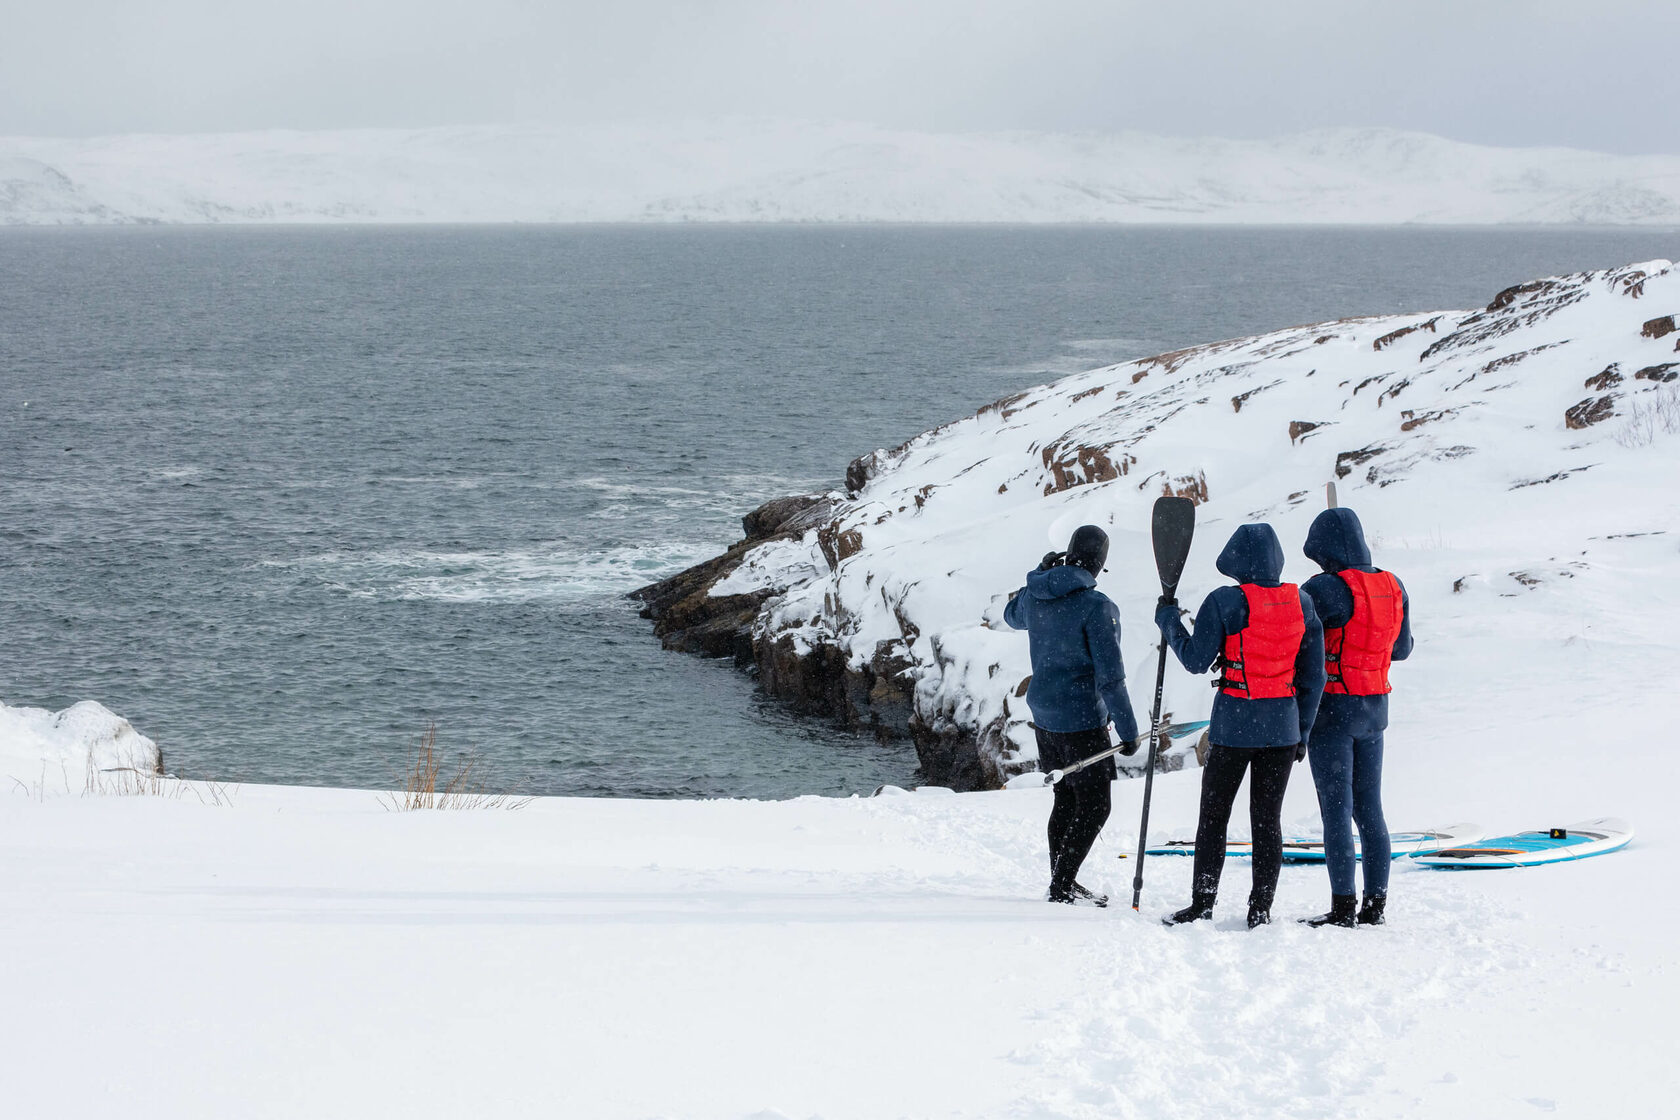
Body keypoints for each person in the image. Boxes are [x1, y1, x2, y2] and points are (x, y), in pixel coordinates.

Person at [1155, 523, 1325, 929]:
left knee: (1213, 816)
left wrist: (1168, 621)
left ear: (1235, 560)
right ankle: (1260, 909)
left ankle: (1203, 903)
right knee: (1267, 820)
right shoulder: (1302, 602)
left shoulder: (1226, 601)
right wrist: (1302, 731)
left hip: (1233, 726)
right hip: (1282, 729)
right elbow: (1313, 676)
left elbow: (1197, 660)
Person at [1005, 525, 1141, 906]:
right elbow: (1111, 678)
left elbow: (1011, 615)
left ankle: (1062, 879)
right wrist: (1128, 732)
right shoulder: (1097, 607)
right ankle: (1062, 884)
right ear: (1099, 564)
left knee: (1065, 799)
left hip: (1044, 716)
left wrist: (1040, 575)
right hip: (1081, 720)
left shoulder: (1038, 596)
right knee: (1096, 804)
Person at [1298, 508, 1413, 928]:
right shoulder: (1393, 584)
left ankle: (1342, 908)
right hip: (1375, 709)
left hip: (1331, 711)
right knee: (1370, 810)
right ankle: (1375, 907)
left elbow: (1299, 645)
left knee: (1336, 811)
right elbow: (1401, 650)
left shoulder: (1323, 588)